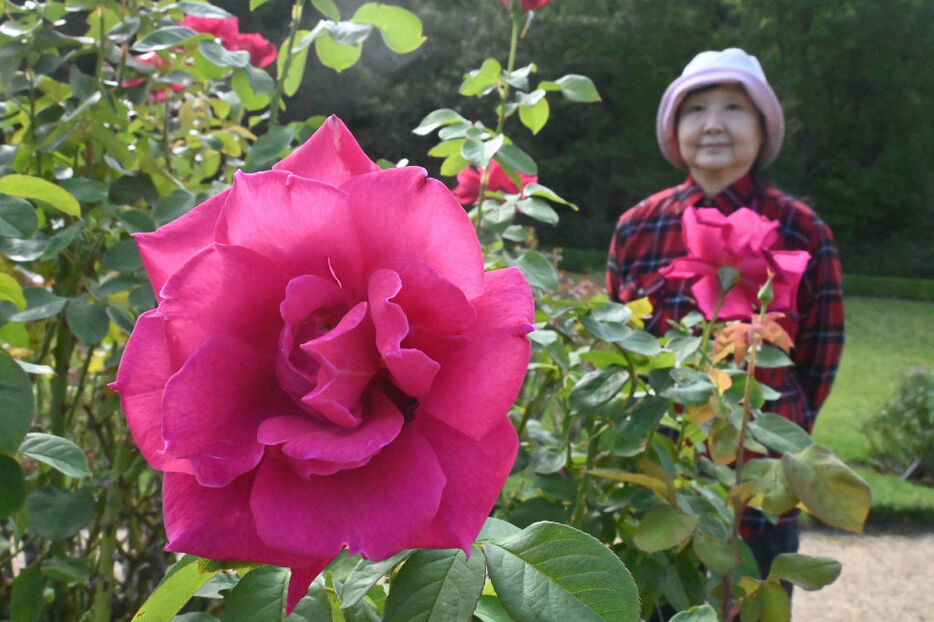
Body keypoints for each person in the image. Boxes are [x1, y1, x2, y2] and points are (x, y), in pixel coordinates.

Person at [606, 48, 845, 591]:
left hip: (755, 485)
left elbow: (817, 360)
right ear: (674, 129)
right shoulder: (637, 228)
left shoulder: (803, 231)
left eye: (734, 107)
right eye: (696, 110)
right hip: (658, 481)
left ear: (764, 128)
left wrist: (774, 426)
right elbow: (623, 350)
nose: (713, 124)